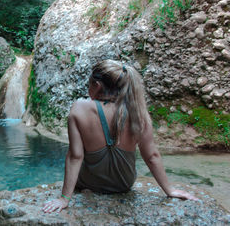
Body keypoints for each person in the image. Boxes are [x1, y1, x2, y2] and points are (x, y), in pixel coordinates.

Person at [43, 59, 198, 213]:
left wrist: (64, 198)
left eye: (89, 85)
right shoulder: (138, 113)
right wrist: (169, 190)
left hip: (89, 183)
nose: (88, 89)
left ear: (97, 86)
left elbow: (75, 156)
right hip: (124, 184)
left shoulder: (79, 109)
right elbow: (152, 156)